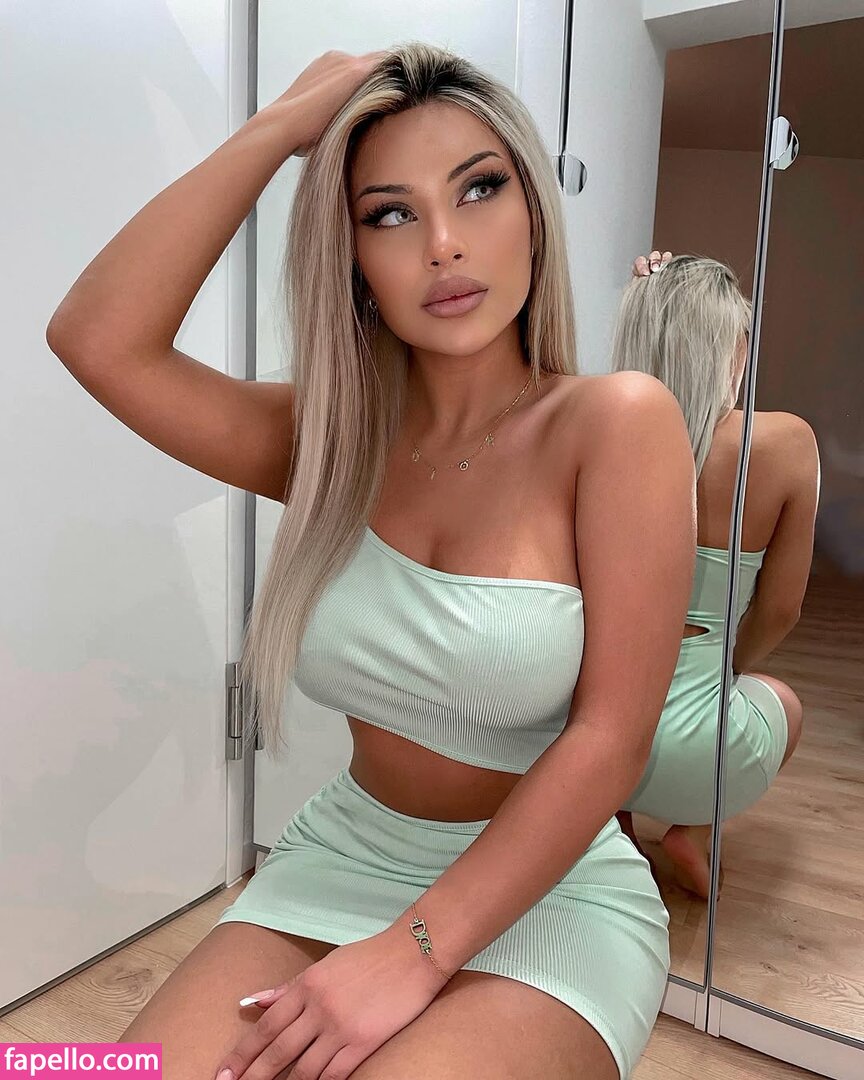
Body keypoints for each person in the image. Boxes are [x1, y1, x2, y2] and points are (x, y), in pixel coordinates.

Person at [47, 46, 696, 1080]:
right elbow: (96, 338)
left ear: (533, 210)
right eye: (390, 213)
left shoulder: (616, 423)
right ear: (350, 256)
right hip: (340, 860)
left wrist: (412, 951)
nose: (444, 244)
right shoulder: (330, 442)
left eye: (478, 189)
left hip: (550, 894)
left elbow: (612, 740)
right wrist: (280, 128)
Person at [612, 252, 819, 899]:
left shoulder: (598, 432)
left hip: (595, 743)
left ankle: (614, 824)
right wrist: (722, 671)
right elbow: (781, 610)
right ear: (727, 346)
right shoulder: (784, 443)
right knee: (784, 703)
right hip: (703, 754)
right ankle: (694, 833)